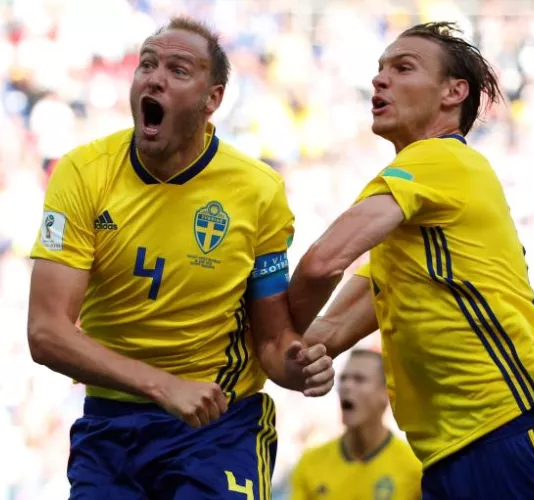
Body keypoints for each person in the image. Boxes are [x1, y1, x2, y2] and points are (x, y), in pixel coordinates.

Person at [26, 17, 334, 500]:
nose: (154, 77)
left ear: (213, 99)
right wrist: (163, 386)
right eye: (146, 64)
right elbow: (46, 333)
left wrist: (297, 366)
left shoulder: (257, 191)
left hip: (218, 427)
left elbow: (272, 339)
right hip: (110, 428)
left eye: (178, 69)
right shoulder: (82, 175)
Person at [288, 21, 534, 500]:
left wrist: (269, 339)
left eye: (402, 67)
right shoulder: (415, 242)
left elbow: (322, 264)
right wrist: (276, 354)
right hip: (452, 454)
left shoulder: (439, 160)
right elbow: (325, 334)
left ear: (455, 93)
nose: (379, 79)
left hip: (510, 434)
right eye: (379, 69)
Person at [291, 348, 422, 500]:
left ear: (387, 393)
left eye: (359, 379)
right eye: (343, 378)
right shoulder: (310, 464)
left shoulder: (414, 469)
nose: (346, 386)